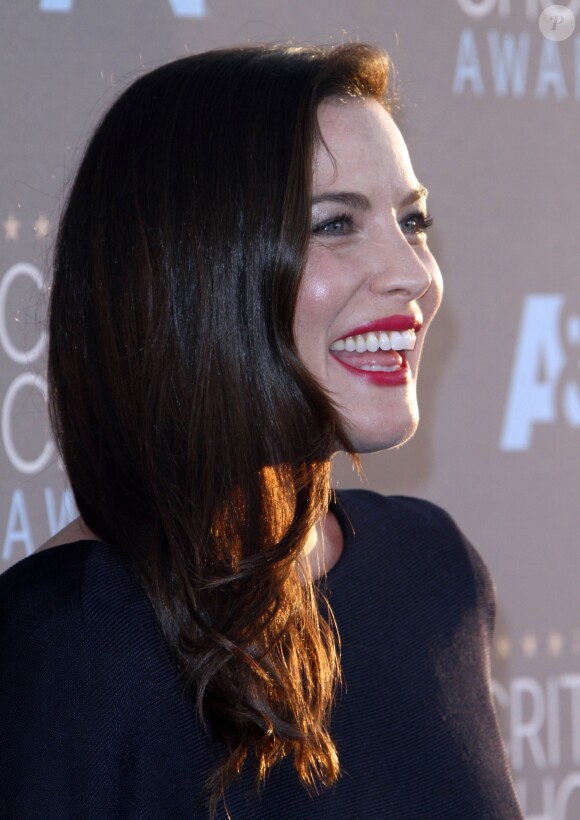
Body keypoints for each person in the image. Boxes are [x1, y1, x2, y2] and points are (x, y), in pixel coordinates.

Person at [0, 44, 523, 818]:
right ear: (189, 272)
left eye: (411, 219)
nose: (416, 272)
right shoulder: (68, 643)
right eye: (337, 223)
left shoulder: (436, 572)